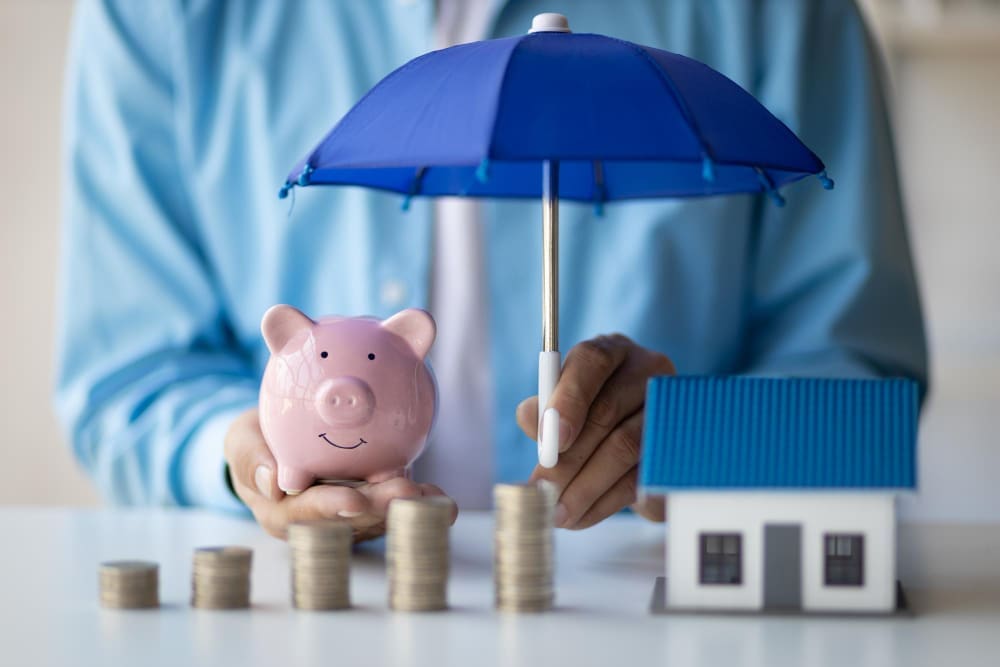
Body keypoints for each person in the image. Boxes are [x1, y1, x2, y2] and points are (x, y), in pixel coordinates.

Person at [55, 0, 927, 540]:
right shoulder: (159, 12)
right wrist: (249, 453)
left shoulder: (789, 12)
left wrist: (703, 436)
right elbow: (129, 371)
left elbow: (856, 379)